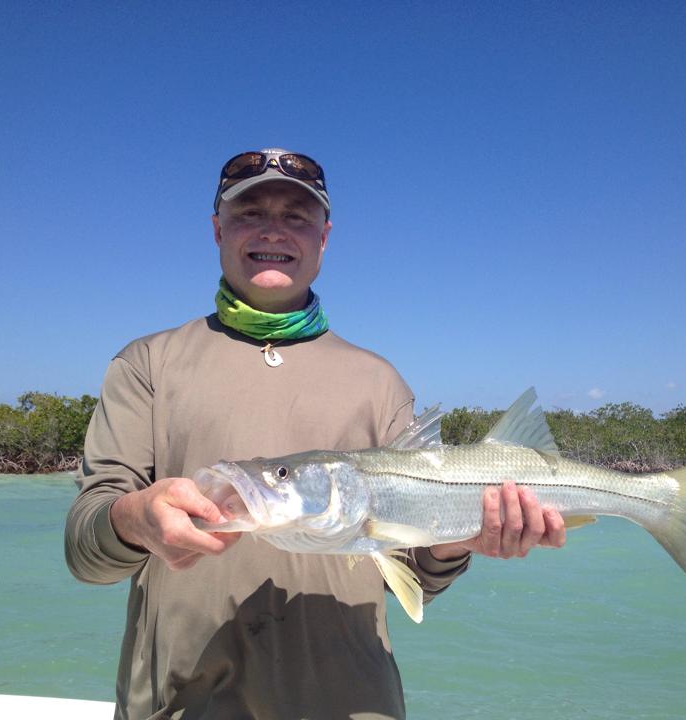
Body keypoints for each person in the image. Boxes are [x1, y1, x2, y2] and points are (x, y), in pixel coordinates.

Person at [64, 148, 566, 720]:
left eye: (297, 216)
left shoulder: (380, 382)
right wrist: (133, 519)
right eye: (250, 211)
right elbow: (85, 554)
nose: (273, 230)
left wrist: (460, 539)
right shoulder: (146, 365)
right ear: (217, 229)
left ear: (324, 238)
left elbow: (418, 580)